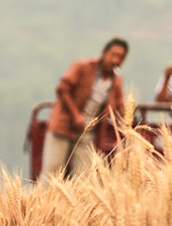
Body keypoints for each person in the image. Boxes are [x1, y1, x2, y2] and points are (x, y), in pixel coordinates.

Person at [40, 38, 128, 182]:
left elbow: (120, 110)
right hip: (63, 126)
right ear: (104, 53)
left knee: (85, 176)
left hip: (88, 132)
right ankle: (44, 203)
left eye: (120, 57)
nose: (115, 60)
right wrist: (75, 115)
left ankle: (78, 205)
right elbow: (63, 88)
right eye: (113, 55)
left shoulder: (116, 82)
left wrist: (128, 129)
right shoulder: (83, 67)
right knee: (52, 171)